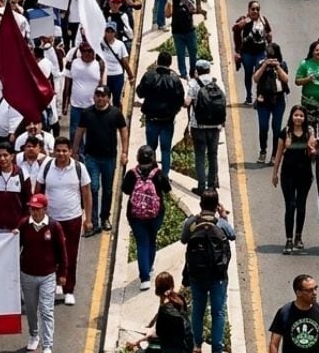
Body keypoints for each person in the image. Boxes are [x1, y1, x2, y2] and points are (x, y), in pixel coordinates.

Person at [181, 189, 234, 353]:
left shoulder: (192, 223)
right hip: (218, 274)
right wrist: (223, 216)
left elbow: (184, 239)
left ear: (200, 204)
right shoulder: (221, 224)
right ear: (216, 205)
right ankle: (217, 348)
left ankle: (197, 344)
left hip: (196, 273)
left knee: (198, 308)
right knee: (218, 311)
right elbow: (232, 235)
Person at [40, 138, 90, 306]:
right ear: (53, 151)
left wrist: (88, 219)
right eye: (58, 150)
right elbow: (38, 192)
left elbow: (86, 193)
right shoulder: (47, 167)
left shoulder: (79, 168)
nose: (61, 154)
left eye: (64, 151)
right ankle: (56, 284)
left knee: (70, 254)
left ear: (70, 151)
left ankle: (69, 289)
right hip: (51, 219)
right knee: (50, 254)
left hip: (73, 218)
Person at [73, 86, 128, 233]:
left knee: (108, 190)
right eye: (97, 96)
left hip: (109, 158)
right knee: (94, 188)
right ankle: (94, 221)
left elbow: (123, 131)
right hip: (92, 158)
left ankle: (105, 217)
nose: (100, 99)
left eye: (103, 96)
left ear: (108, 97)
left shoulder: (116, 113)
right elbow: (79, 132)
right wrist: (75, 151)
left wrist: (124, 152)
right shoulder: (87, 113)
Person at [17, 193, 66, 353]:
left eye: (37, 209)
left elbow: (62, 252)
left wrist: (62, 274)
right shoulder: (24, 224)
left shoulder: (54, 226)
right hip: (27, 275)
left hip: (47, 276)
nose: (34, 212)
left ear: (45, 209)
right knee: (31, 309)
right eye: (32, 209)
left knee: (46, 310)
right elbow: (14, 246)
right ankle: (34, 335)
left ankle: (47, 345)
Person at [122, 146, 170, 289]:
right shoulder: (159, 173)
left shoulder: (132, 174)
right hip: (156, 215)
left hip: (135, 216)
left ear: (138, 158)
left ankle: (144, 278)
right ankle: (148, 267)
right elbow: (167, 189)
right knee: (152, 240)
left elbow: (125, 190)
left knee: (142, 243)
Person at [271, 104, 316, 255]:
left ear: (305, 118)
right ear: (291, 116)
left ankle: (299, 237)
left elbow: (313, 155)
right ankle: (289, 239)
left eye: (301, 116)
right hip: (288, 175)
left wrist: (313, 150)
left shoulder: (309, 132)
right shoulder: (285, 133)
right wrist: (275, 173)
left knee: (301, 205)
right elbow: (278, 155)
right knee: (290, 206)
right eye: (296, 115)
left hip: (305, 175)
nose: (298, 118)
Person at [136, 52, 183, 174]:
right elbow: (180, 100)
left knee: (150, 149)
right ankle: (165, 176)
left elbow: (140, 93)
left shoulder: (149, 76)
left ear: (158, 61)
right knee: (166, 150)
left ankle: (151, 174)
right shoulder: (175, 79)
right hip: (167, 120)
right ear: (170, 63)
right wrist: (174, 111)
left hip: (151, 119)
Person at [186, 59, 227, 193]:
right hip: (215, 126)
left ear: (197, 71)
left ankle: (201, 186)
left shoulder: (193, 84)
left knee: (200, 155)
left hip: (198, 126)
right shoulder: (216, 83)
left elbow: (187, 103)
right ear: (209, 70)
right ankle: (212, 185)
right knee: (212, 155)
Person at [269, 274, 319, 353]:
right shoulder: (285, 312)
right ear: (298, 293)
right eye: (309, 290)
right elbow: (274, 343)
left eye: (315, 288)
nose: (314, 293)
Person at [252, 41, 290, 163]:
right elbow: (256, 78)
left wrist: (277, 67)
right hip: (263, 100)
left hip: (278, 100)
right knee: (263, 127)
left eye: (273, 57)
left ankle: (275, 155)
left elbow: (286, 79)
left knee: (276, 129)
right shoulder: (260, 64)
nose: (271, 59)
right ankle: (263, 151)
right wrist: (264, 66)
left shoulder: (282, 64)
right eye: (269, 57)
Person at [234, 0, 273, 105]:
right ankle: (248, 96)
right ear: (248, 9)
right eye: (253, 9)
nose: (255, 11)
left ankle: (259, 94)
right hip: (247, 53)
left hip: (260, 52)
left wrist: (269, 45)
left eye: (257, 9)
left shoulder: (263, 20)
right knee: (248, 74)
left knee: (259, 74)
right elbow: (235, 29)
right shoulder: (244, 19)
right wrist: (244, 22)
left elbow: (269, 32)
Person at [148, 271, 193, 353]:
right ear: (172, 285)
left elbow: (157, 334)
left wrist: (139, 340)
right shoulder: (179, 298)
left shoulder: (164, 310)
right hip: (187, 346)